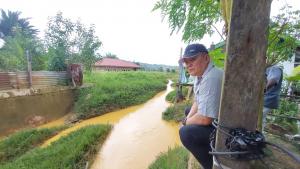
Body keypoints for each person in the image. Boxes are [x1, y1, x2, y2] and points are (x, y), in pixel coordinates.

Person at [179, 44, 223, 169]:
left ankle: (212, 165)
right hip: (217, 119)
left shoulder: (212, 77)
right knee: (188, 111)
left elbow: (205, 119)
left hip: (228, 129)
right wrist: (188, 119)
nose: (188, 65)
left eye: (193, 59)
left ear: (206, 58)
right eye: (186, 62)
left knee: (186, 133)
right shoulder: (199, 77)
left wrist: (186, 122)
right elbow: (197, 102)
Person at [263, 65, 283, 130]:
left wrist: (264, 89)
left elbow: (273, 80)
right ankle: (259, 136)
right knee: (260, 119)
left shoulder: (275, 68)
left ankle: (259, 136)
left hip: (268, 99)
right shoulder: (267, 68)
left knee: (258, 119)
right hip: (266, 99)